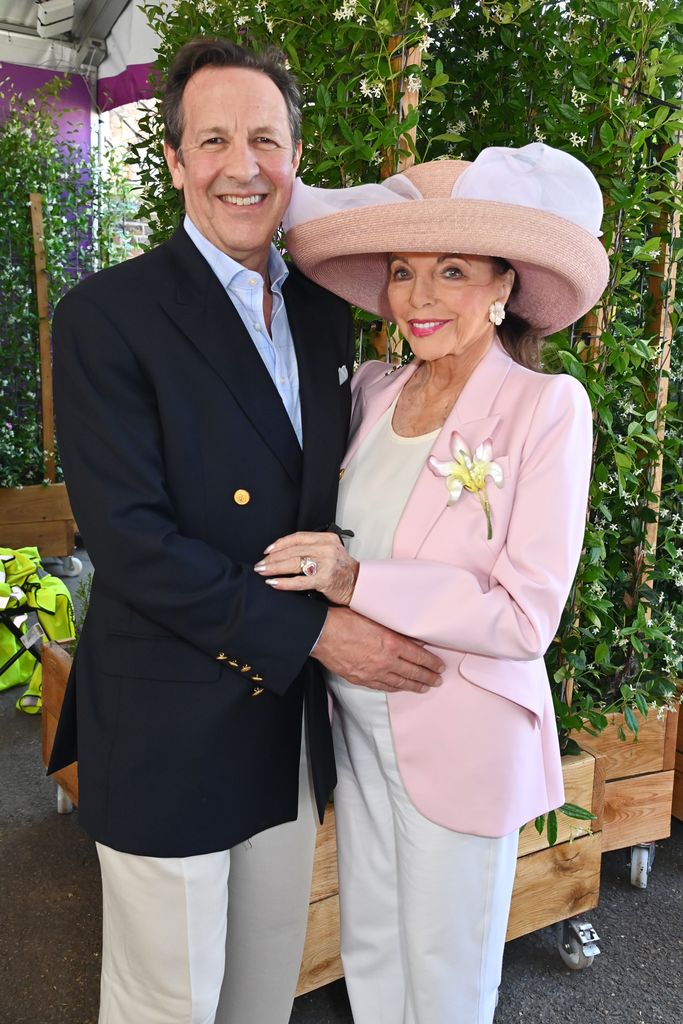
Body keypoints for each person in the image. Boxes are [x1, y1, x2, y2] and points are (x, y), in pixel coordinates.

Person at [48, 37, 443, 1024]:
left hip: (283, 725)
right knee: (167, 1002)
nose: (242, 165)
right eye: (213, 139)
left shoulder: (320, 308)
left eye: (265, 139)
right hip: (168, 718)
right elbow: (130, 538)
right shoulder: (107, 314)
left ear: (295, 160)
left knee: (260, 992)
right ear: (174, 160)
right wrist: (314, 630)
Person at [256, 143, 609, 1023]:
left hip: (459, 727)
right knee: (372, 948)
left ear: (502, 285)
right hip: (357, 723)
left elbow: (525, 616)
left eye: (450, 271)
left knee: (446, 975)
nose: (418, 298)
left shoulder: (546, 407)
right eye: (405, 272)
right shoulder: (372, 390)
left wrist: (355, 581)